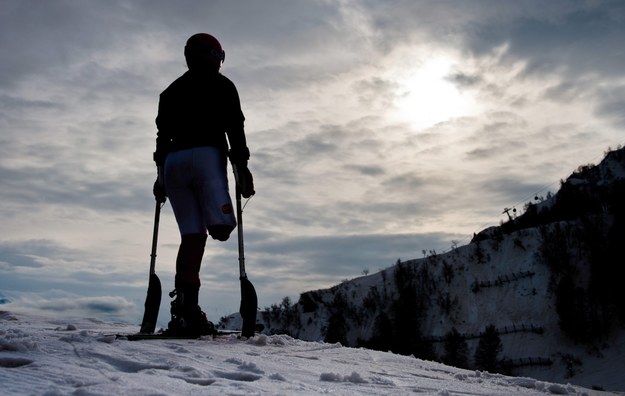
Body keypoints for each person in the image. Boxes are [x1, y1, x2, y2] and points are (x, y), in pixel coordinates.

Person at [153, 33, 255, 337]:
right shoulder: (223, 86)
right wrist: (243, 169)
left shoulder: (169, 92)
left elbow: (161, 139)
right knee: (221, 229)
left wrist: (160, 177)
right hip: (207, 158)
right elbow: (234, 128)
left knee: (192, 235)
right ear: (214, 56)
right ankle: (188, 309)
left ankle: (185, 310)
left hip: (173, 165)